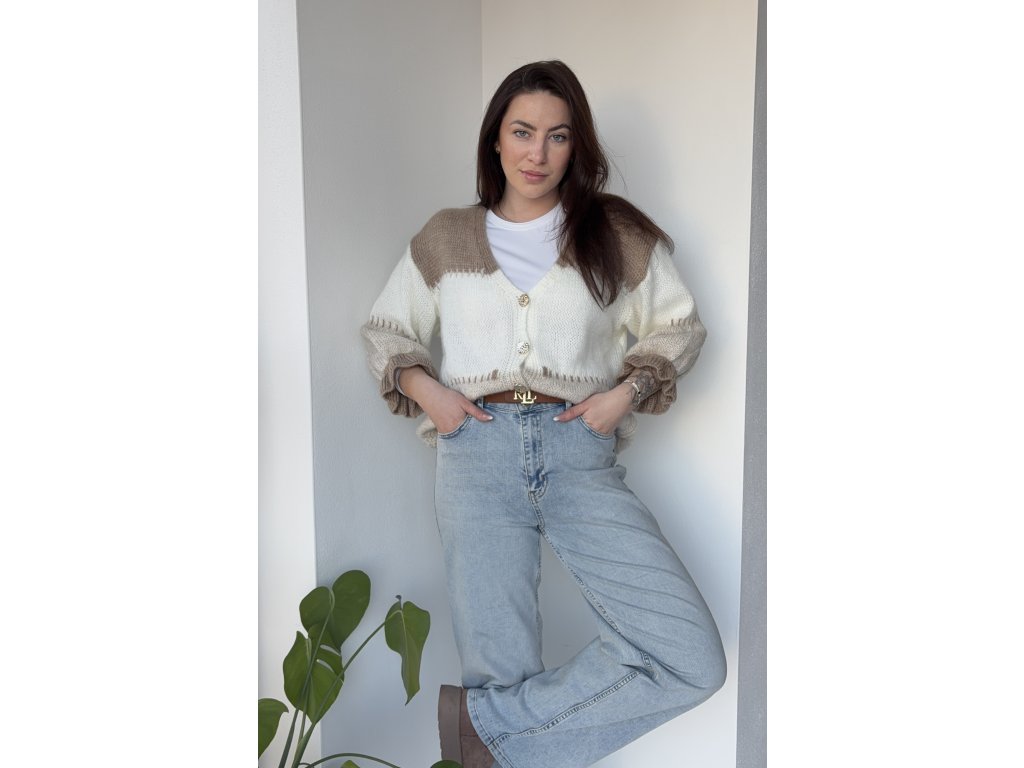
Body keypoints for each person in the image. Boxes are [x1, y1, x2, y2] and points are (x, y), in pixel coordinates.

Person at [361, 60, 725, 768]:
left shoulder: (613, 234)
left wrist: (623, 395)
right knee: (499, 670)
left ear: (576, 146)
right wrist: (433, 395)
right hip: (475, 454)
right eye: (522, 132)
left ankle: (477, 728)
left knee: (690, 656)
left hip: (577, 450)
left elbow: (678, 327)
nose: (538, 153)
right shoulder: (446, 236)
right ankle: (484, 728)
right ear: (495, 140)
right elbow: (386, 330)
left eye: (558, 136)